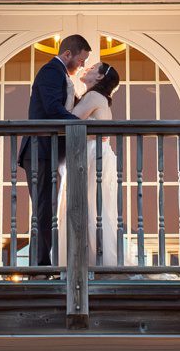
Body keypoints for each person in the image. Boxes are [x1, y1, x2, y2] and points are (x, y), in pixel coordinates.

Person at [16, 34, 89, 266]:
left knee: (47, 208)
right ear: (67, 54)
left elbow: (66, 106)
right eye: (81, 60)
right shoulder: (51, 71)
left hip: (50, 151)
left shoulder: (62, 75)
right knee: (42, 208)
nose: (82, 65)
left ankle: (42, 263)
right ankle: (39, 266)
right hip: (40, 150)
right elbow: (52, 108)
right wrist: (80, 125)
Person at [70, 62, 123, 266]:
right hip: (100, 155)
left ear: (100, 77)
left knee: (87, 208)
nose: (87, 68)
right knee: (97, 209)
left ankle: (87, 261)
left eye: (93, 68)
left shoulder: (93, 97)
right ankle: (96, 260)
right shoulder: (100, 99)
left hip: (92, 156)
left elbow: (70, 120)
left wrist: (67, 93)